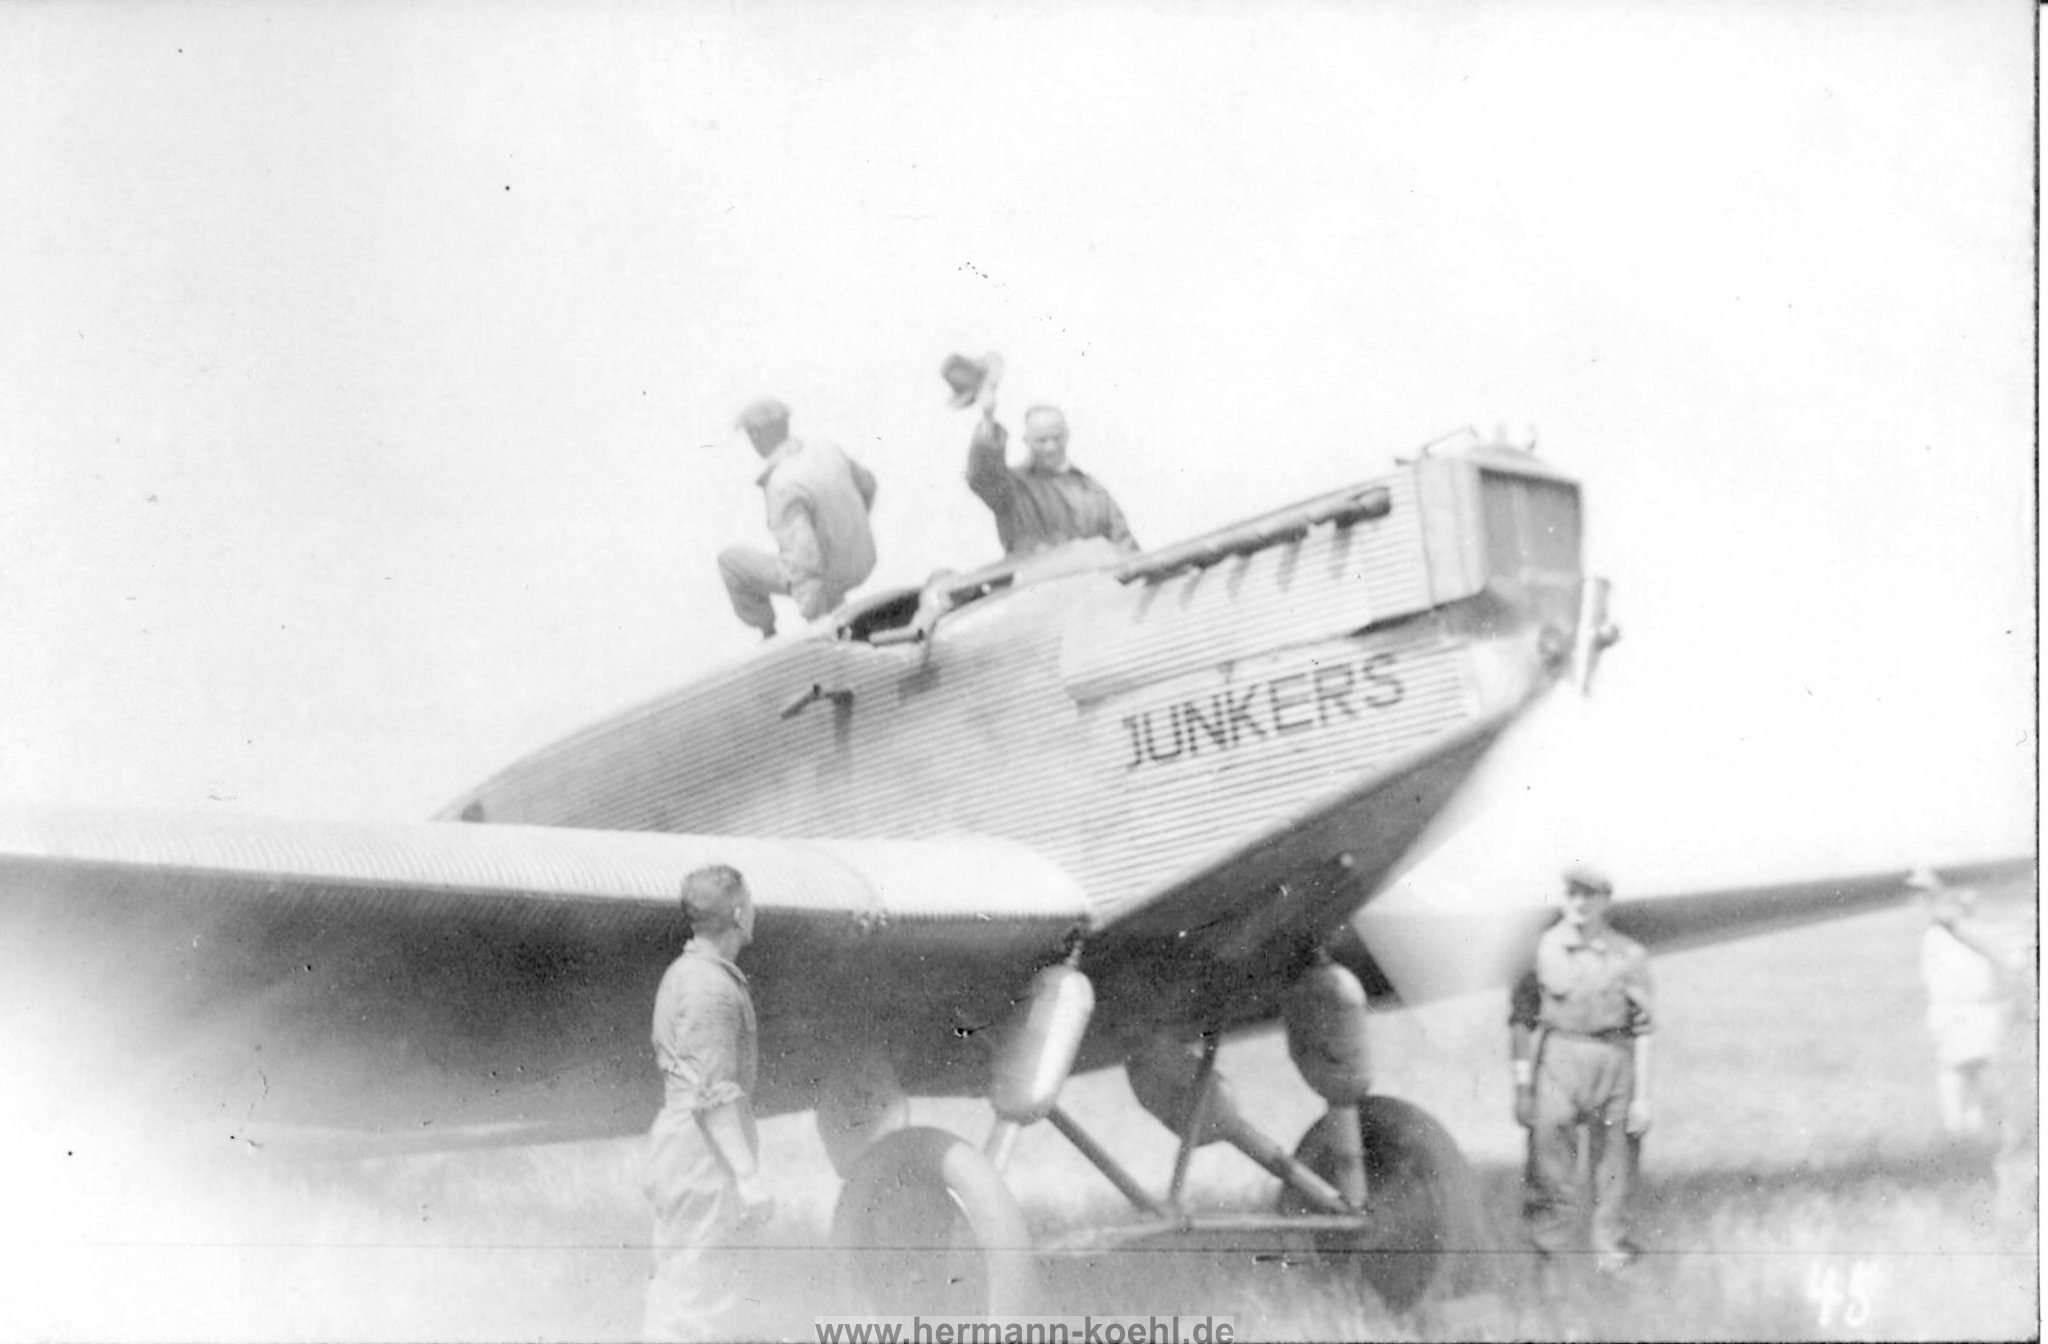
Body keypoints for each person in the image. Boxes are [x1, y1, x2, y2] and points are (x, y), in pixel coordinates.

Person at [643, 865, 774, 1342]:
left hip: (684, 1149)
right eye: (750, 901)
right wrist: (749, 1177)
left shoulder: (689, 973)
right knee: (697, 1303)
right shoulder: (710, 988)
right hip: (703, 1158)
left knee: (686, 1289)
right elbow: (713, 1095)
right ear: (738, 913)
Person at [1508, 863, 1654, 1280]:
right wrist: (1523, 1088)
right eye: (1572, 894)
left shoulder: (1630, 955)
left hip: (1614, 1060)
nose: (1579, 903)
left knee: (1616, 1169)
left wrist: (1642, 1097)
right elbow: (1521, 1020)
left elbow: (1644, 1030)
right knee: (1549, 1163)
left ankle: (1615, 1263)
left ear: (1605, 901)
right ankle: (1548, 1265)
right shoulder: (1540, 950)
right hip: (1559, 1058)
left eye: (1589, 895)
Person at [717, 398, 878, 638]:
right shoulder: (826, 449)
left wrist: (818, 623)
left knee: (730, 562)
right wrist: (847, 530)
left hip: (826, 579)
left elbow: (804, 560)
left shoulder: (781, 484)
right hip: (861, 561)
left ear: (756, 437)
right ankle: (831, 601)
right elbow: (868, 484)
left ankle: (768, 633)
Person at [949, 356, 1135, 559]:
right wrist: (988, 417)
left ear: (1067, 435)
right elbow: (983, 477)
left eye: (1056, 437)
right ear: (1027, 441)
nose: (1050, 447)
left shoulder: (1093, 491)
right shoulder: (1014, 489)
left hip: (1096, 577)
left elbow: (1125, 546)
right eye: (1041, 440)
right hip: (1034, 577)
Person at [1910, 866, 2010, 1139]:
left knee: (1982, 1068)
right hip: (1951, 1008)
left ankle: (1980, 1124)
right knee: (1954, 1068)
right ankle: (1955, 1127)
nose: (1964, 904)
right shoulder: (1938, 933)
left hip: (1980, 1007)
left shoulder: (1979, 932)